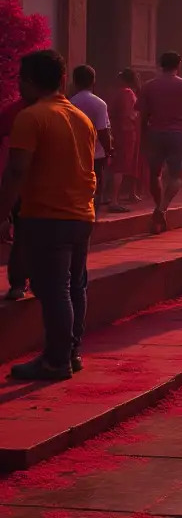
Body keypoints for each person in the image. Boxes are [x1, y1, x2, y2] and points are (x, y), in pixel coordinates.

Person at [0, 50, 96, 380]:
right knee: (73, 287)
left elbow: (16, 172)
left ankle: (56, 359)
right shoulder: (80, 117)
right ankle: (70, 352)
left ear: (28, 81)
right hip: (80, 214)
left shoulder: (31, 116)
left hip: (46, 215)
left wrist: (2, 213)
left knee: (54, 289)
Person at [138, 51, 182, 233]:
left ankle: (159, 208)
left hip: (155, 132)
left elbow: (142, 115)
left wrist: (143, 136)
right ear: (178, 65)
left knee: (154, 174)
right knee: (176, 176)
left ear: (160, 64)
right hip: (178, 134)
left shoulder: (149, 86)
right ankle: (162, 208)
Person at [69, 65, 112, 211]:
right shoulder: (99, 103)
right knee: (96, 185)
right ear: (93, 81)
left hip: (74, 152)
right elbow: (103, 130)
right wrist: (109, 149)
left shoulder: (70, 103)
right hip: (96, 153)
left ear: (74, 81)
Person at [1, 95, 27, 301]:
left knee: (23, 234)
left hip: (24, 185)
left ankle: (19, 283)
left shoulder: (15, 112)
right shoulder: (66, 112)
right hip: (33, 185)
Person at [106, 69, 141, 209]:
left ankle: (116, 196)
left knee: (120, 164)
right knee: (121, 166)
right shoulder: (126, 93)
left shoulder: (120, 92)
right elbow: (131, 114)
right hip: (126, 132)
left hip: (119, 131)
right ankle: (114, 200)